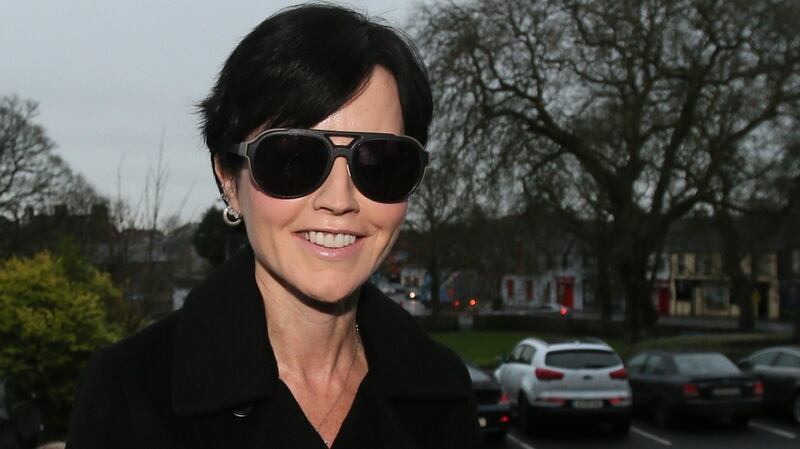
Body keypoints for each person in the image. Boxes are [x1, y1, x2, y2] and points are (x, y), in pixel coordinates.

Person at [65, 4, 480, 449]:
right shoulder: (130, 393)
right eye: (292, 159)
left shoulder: (443, 391)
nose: (339, 200)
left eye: (379, 163)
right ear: (229, 181)